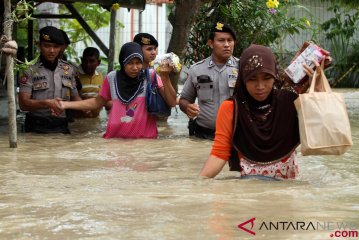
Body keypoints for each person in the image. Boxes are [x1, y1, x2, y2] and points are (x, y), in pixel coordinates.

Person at [199, 44, 326, 180]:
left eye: (267, 78)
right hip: (249, 192)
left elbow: (320, 130)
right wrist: (199, 183)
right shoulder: (231, 108)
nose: (260, 86)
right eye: (252, 79)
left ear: (275, 75)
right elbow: (219, 153)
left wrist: (318, 89)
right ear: (242, 78)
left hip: (287, 191)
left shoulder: (291, 101)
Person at [59, 42, 177, 138]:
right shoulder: (112, 77)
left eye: (138, 63)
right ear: (122, 62)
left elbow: (171, 102)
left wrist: (165, 77)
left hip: (145, 140)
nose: (135, 67)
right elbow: (96, 102)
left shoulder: (150, 76)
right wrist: (66, 104)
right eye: (130, 63)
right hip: (115, 139)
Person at [179, 22, 239, 140]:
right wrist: (187, 107)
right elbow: (184, 100)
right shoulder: (197, 69)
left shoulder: (242, 68)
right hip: (203, 135)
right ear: (211, 43)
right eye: (221, 40)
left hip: (236, 135)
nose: (226, 44)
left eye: (230, 40)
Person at [18, 26, 82, 134]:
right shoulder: (29, 70)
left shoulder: (69, 70)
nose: (51, 51)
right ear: (39, 45)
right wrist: (47, 103)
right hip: (36, 127)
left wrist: (92, 106)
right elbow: (23, 105)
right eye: (47, 46)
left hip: (61, 126)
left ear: (61, 48)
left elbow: (76, 98)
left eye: (56, 46)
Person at [76, 47, 108, 117]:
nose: (88, 64)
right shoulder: (74, 75)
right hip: (78, 119)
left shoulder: (100, 76)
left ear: (98, 62)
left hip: (95, 119)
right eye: (85, 61)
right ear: (81, 60)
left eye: (91, 61)